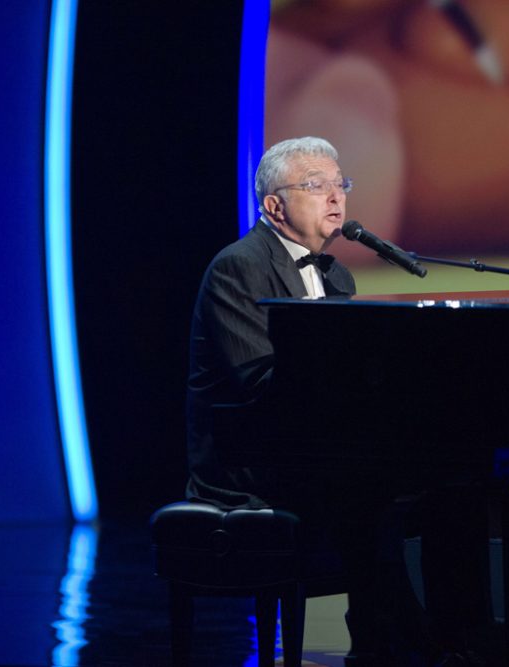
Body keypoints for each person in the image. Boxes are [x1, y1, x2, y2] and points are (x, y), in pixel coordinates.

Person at [185, 137, 410, 665]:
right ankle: (383, 650)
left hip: (310, 453)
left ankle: (447, 645)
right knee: (373, 495)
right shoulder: (237, 267)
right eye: (316, 185)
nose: (336, 197)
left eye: (340, 184)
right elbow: (259, 382)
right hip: (245, 471)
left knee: (442, 488)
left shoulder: (337, 275)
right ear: (274, 206)